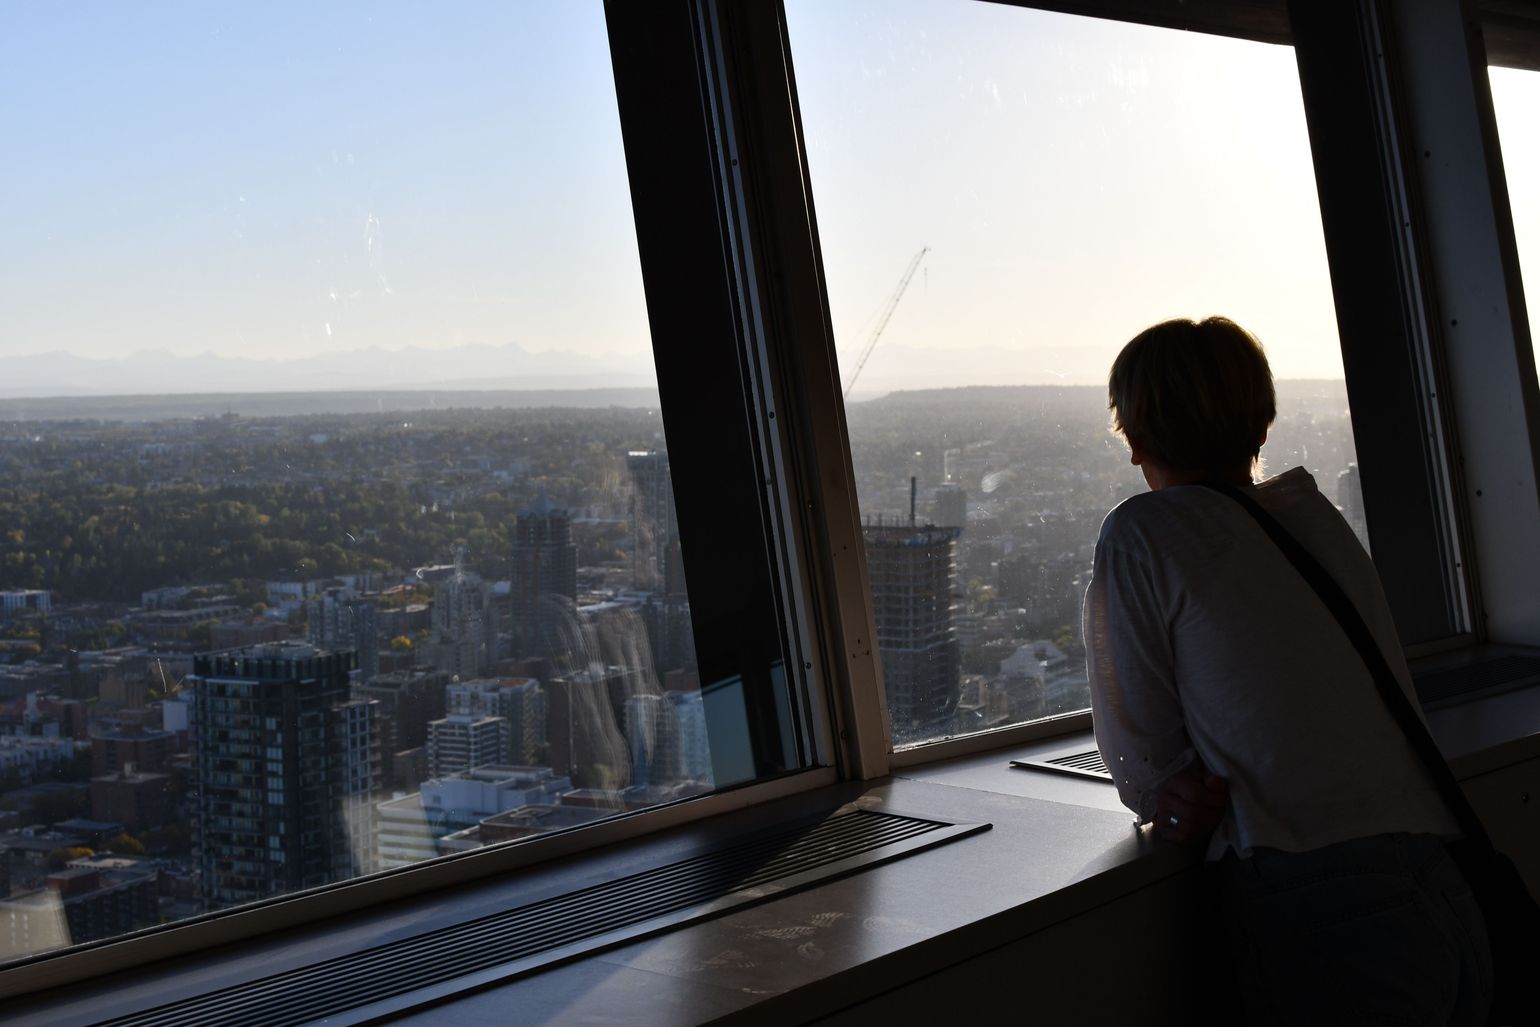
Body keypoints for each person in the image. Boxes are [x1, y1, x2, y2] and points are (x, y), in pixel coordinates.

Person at [1082, 316, 1492, 1026]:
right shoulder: (1311, 514)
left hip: (1323, 899)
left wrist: (1170, 791)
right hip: (1444, 883)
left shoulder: (1146, 532)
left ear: (1136, 439)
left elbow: (1144, 759)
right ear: (1262, 426)